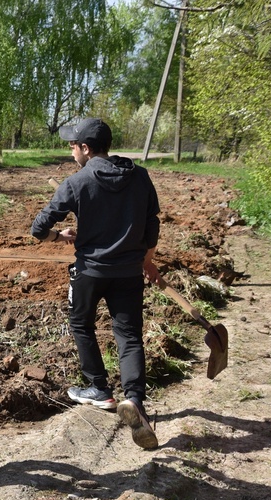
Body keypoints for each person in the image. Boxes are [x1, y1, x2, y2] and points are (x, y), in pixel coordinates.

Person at [30, 117, 160, 450]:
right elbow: (152, 226)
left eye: (73, 146)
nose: (72, 151)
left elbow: (38, 228)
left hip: (90, 272)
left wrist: (58, 235)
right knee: (129, 335)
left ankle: (99, 388)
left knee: (81, 324)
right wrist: (146, 262)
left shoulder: (77, 182)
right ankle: (134, 399)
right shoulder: (140, 177)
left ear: (86, 148)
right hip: (129, 273)